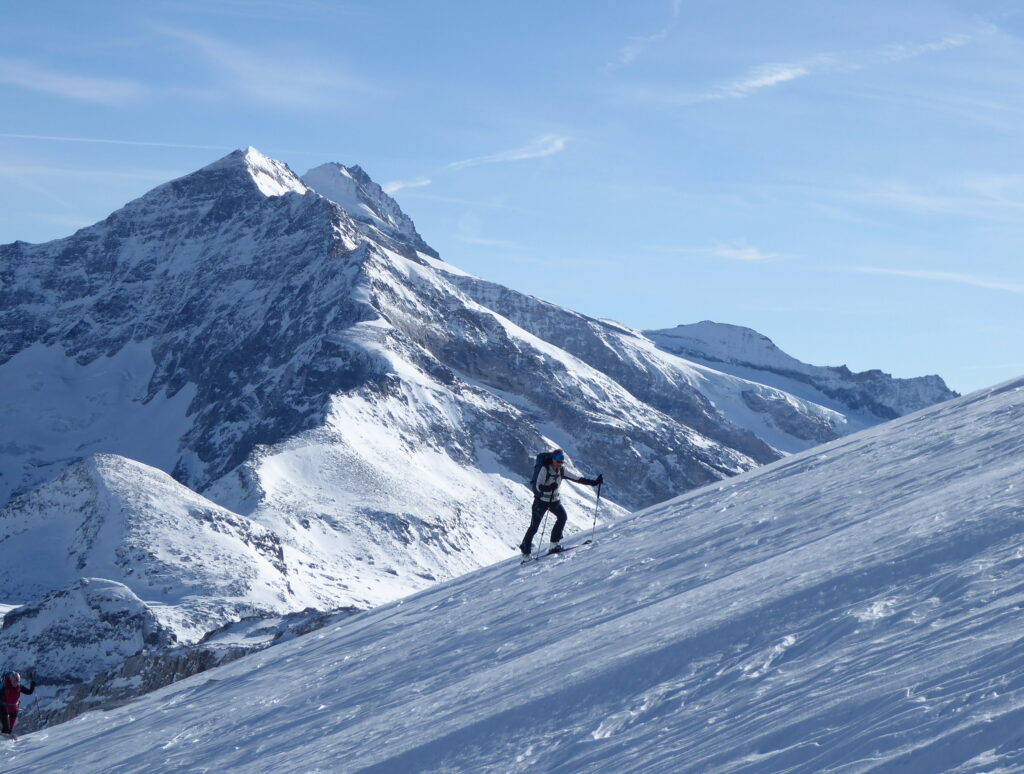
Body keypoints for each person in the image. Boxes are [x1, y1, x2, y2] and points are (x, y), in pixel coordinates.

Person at [519, 448, 602, 556]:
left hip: (554, 501)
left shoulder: (561, 470)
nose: (560, 464)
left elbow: (577, 479)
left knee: (562, 517)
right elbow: (538, 486)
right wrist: (548, 488)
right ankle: (525, 552)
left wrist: (594, 482)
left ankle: (554, 545)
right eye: (558, 461)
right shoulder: (545, 469)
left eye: (562, 462)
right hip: (541, 501)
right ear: (553, 460)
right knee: (534, 527)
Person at [1, 671, 35, 736]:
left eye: (18, 681)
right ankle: (5, 733)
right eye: (14, 681)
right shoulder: (6, 687)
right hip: (6, 708)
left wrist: (32, 685)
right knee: (6, 725)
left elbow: (29, 692)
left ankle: (6, 734)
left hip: (14, 709)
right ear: (11, 680)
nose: (16, 683)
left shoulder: (19, 687)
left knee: (10, 726)